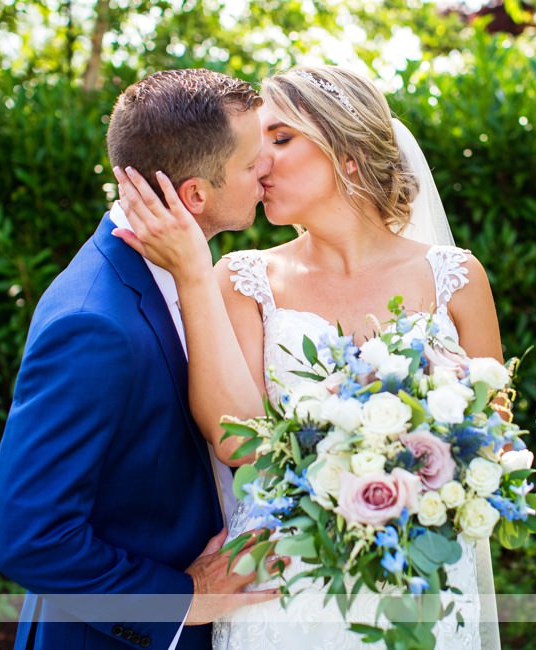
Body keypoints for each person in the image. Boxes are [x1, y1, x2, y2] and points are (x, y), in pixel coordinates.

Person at [113, 65, 502, 649]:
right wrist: (192, 274)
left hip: (423, 582)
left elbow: (491, 437)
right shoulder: (242, 280)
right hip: (286, 589)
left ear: (346, 152)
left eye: (281, 137)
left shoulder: (456, 278)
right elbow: (234, 439)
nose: (259, 161)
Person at [0, 69, 285, 650]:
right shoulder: (92, 323)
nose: (266, 172)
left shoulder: (185, 276)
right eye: (253, 164)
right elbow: (32, 537)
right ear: (197, 193)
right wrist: (183, 601)